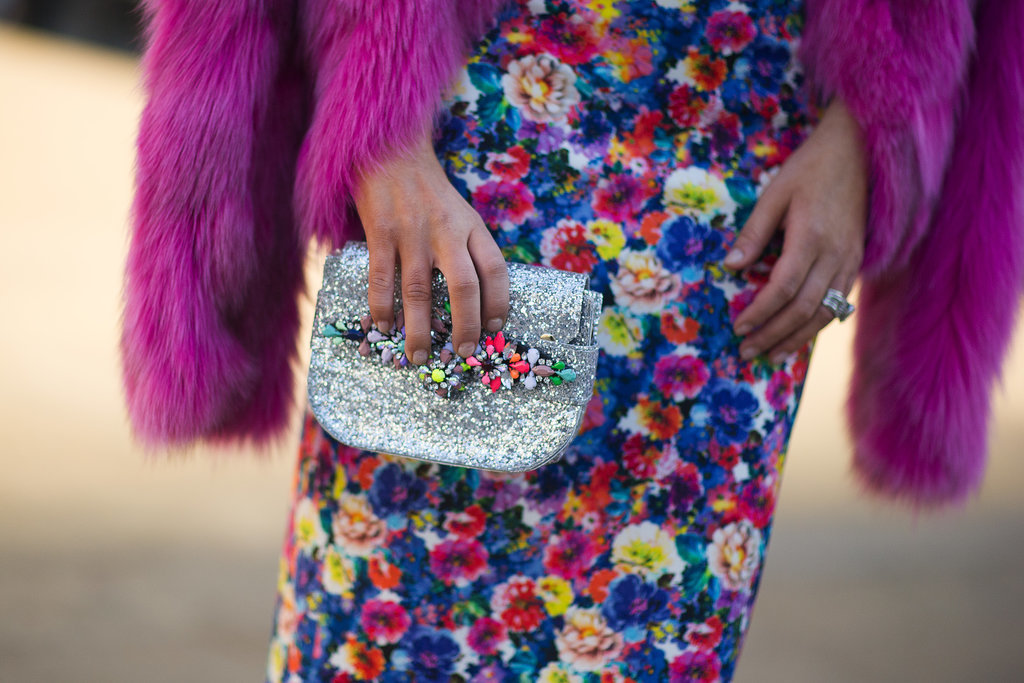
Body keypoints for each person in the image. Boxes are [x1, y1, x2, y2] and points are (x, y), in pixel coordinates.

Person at [121, 0, 1024, 681]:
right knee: (381, 643)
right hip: (474, 131)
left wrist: (872, 126)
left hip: (743, 179)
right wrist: (376, 111)